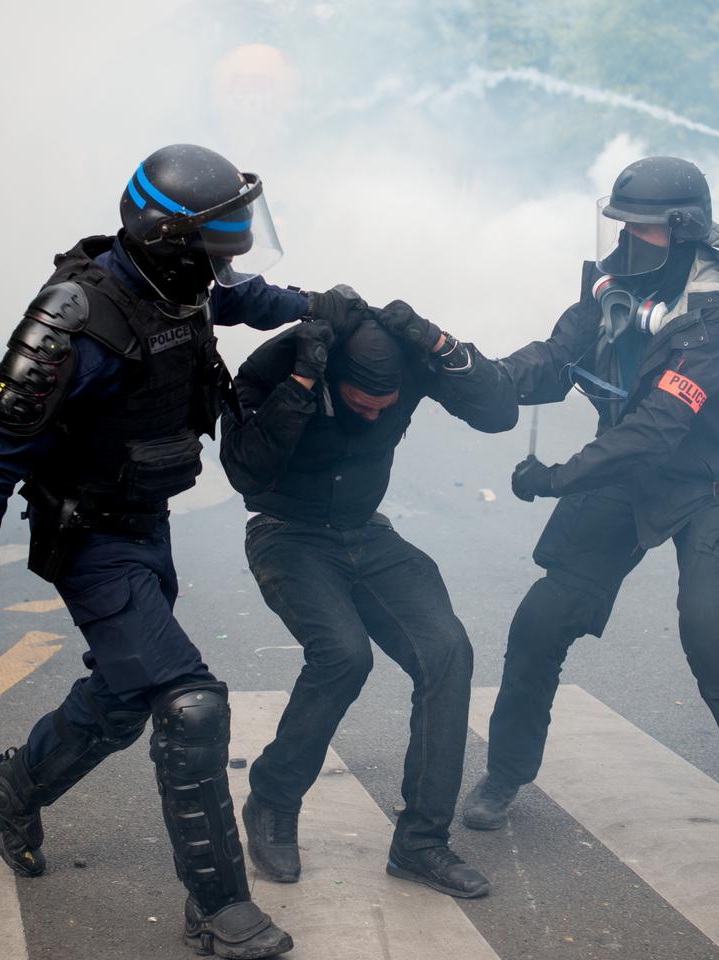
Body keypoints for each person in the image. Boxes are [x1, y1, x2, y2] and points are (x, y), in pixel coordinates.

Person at [0, 143, 367, 958]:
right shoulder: (74, 324)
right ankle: (220, 912)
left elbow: (239, 300)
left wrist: (316, 305)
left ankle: (11, 786)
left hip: (144, 522)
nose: (232, 256)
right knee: (190, 699)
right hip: (90, 536)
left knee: (128, 693)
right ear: (171, 238)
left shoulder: (180, 281)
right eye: (220, 240)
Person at [461, 156, 719, 874]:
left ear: (682, 234)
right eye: (621, 226)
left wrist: (559, 479)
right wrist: (469, 372)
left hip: (714, 483)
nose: (627, 242)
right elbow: (555, 361)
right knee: (541, 620)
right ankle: (504, 775)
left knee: (711, 630)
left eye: (643, 230)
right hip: (628, 475)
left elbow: (657, 425)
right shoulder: (610, 287)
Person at [218, 304, 516, 898]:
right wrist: (301, 383)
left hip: (367, 532)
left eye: (386, 408)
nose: (374, 416)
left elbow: (499, 411)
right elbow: (245, 471)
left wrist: (437, 339)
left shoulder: (411, 360)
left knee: (447, 650)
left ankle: (421, 843)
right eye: (360, 405)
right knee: (343, 655)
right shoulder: (286, 361)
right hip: (287, 533)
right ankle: (272, 801)